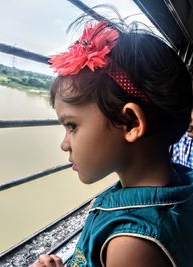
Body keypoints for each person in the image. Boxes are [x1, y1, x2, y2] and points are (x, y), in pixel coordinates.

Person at [32, 12, 193, 267]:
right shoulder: (182, 182)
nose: (64, 143)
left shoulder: (131, 246)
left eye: (71, 126)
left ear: (131, 123)